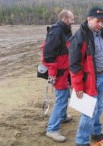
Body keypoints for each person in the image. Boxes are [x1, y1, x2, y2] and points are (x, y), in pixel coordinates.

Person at [69, 6, 103, 146]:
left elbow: (101, 53)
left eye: (102, 21)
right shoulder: (79, 37)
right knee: (88, 110)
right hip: (88, 80)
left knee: (100, 106)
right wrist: (77, 86)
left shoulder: (101, 33)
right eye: (98, 21)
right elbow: (74, 64)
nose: (100, 24)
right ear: (89, 19)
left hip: (101, 76)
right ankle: (81, 141)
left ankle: (95, 131)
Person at [43, 10, 74, 142]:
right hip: (59, 73)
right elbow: (48, 54)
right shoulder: (56, 32)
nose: (73, 21)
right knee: (61, 99)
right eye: (72, 19)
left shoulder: (65, 30)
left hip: (65, 70)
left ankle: (62, 117)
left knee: (65, 95)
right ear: (65, 18)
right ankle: (52, 129)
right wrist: (53, 73)